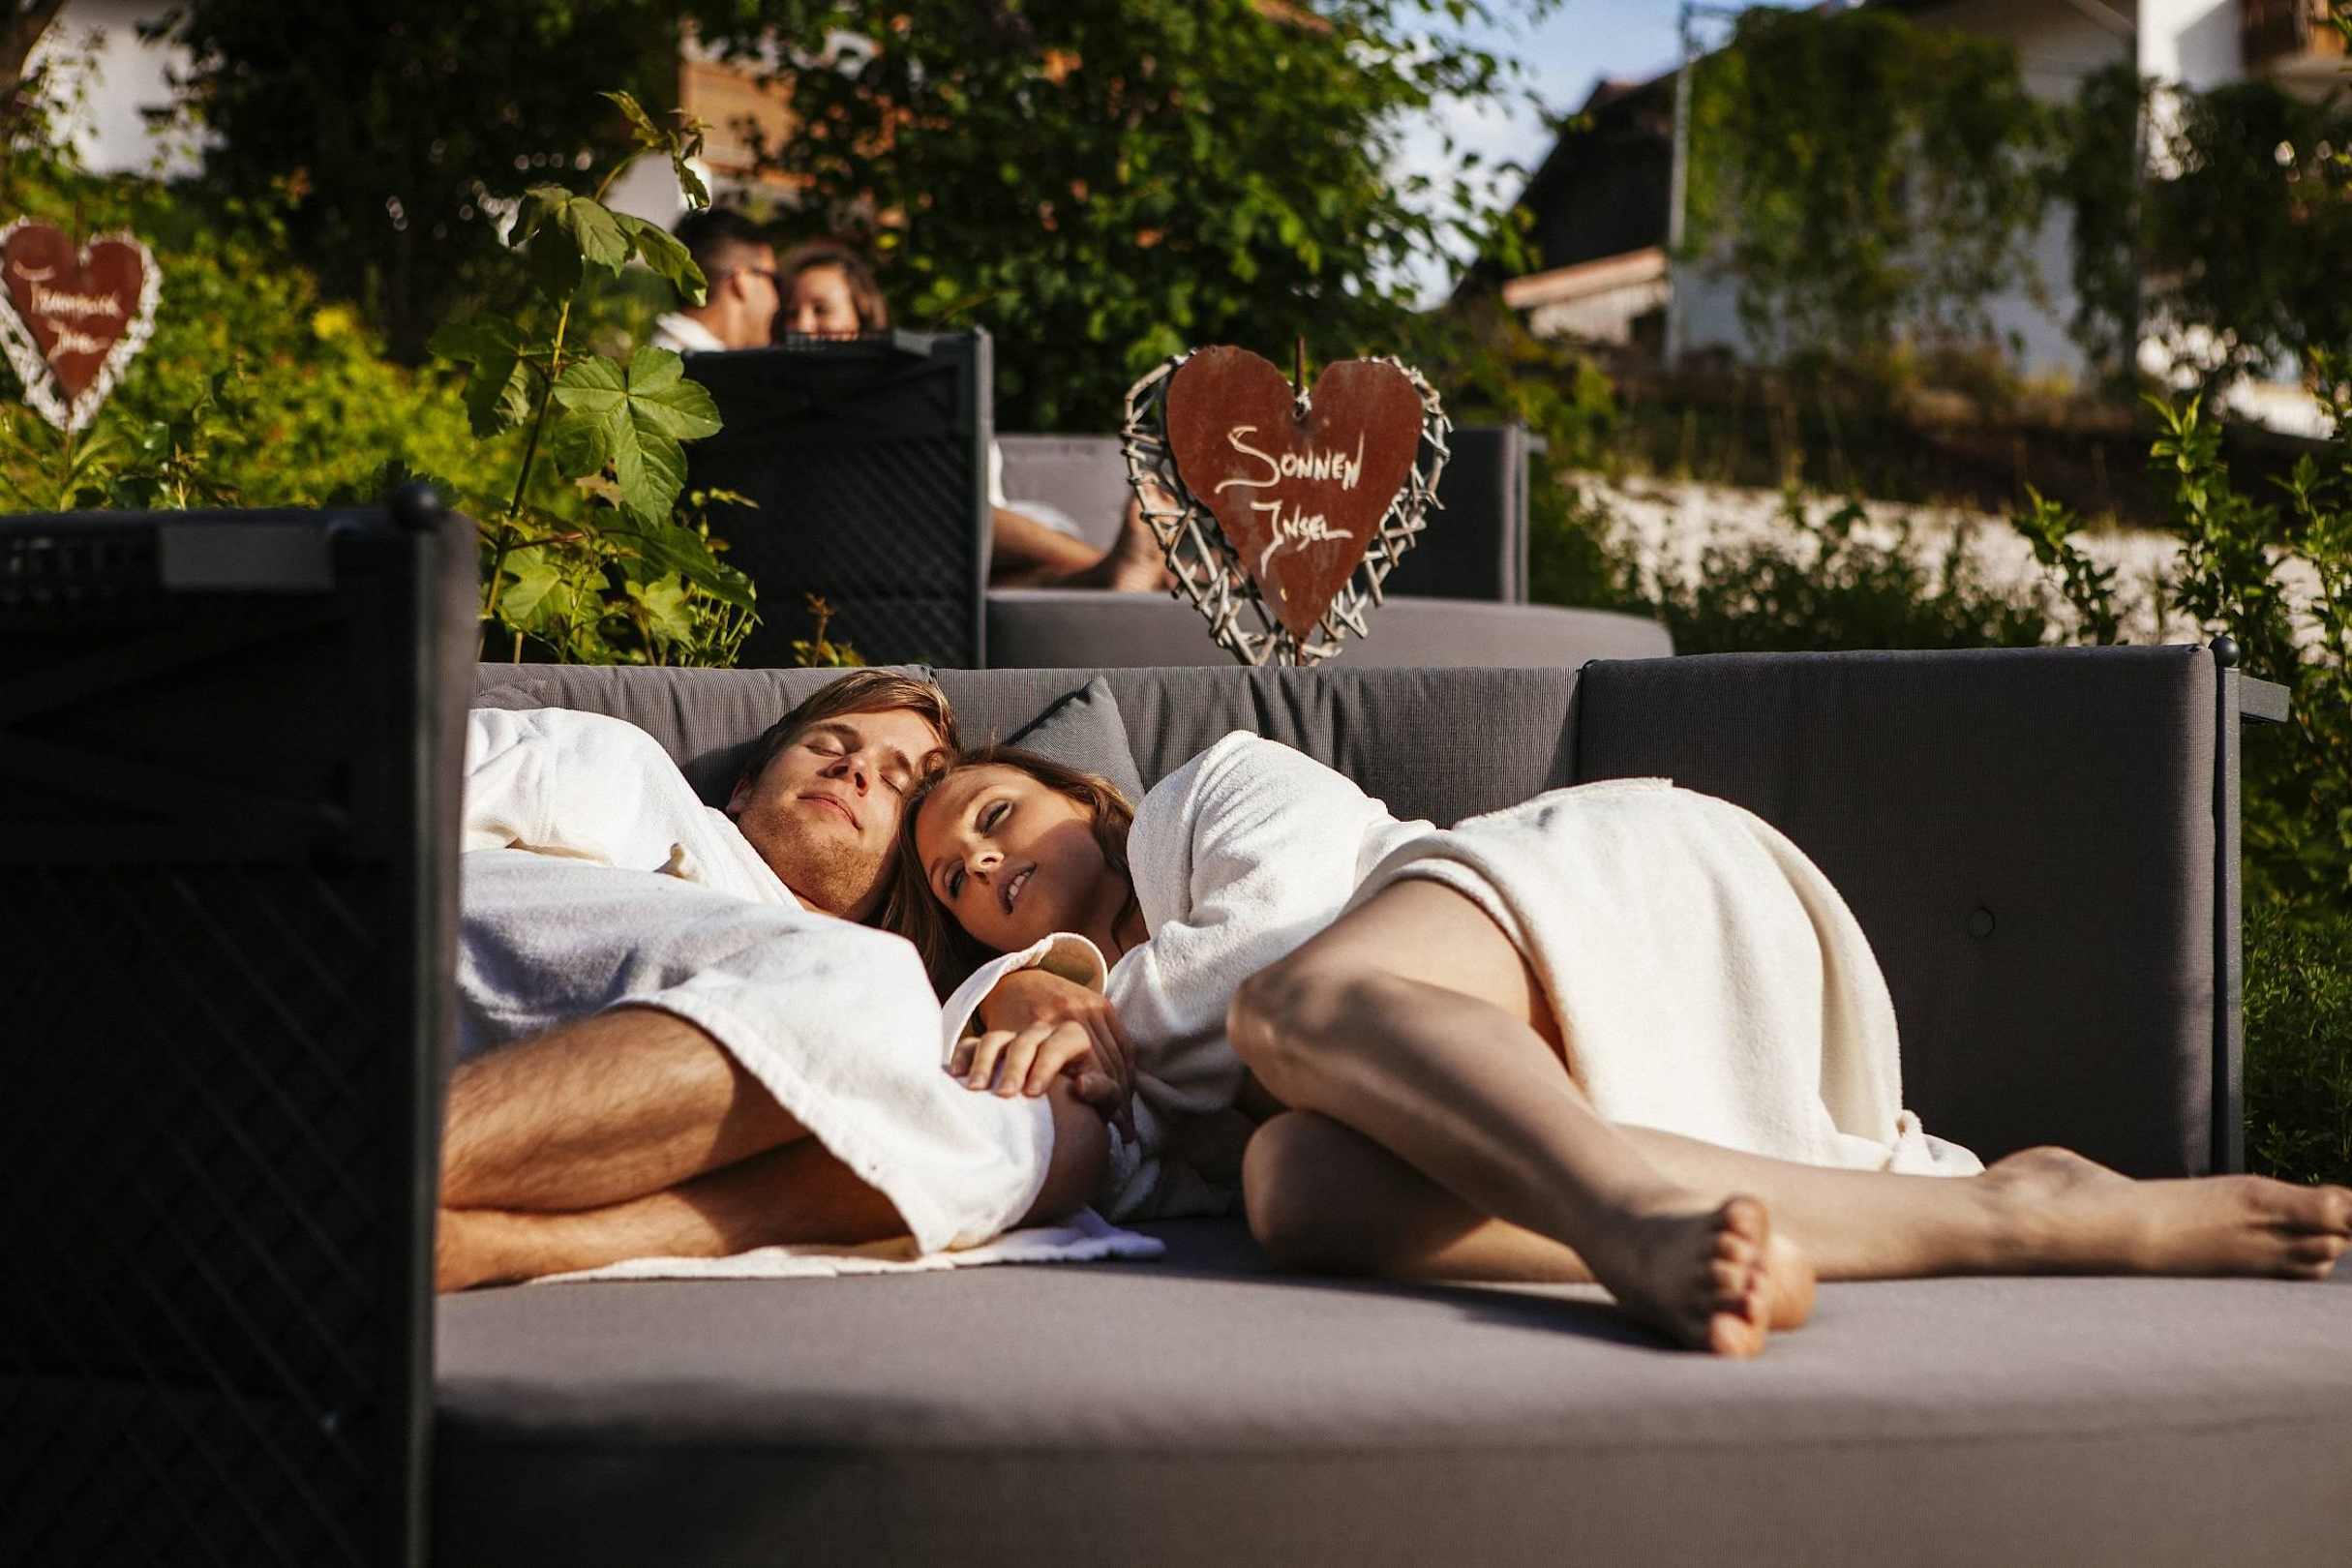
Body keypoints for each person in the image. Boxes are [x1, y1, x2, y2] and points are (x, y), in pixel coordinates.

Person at [893, 736, 2352, 1357]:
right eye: (956, 879)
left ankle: (1628, 1228)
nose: (983, 863)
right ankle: (2015, 1213)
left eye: (997, 817)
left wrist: (1106, 1024)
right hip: (1534, 1096)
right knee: (1296, 1187)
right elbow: (1129, 1186)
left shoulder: (1205, 798)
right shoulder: (1072, 1015)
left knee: (1293, 1015)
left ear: (1087, 799)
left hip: (1602, 904)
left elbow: (1270, 945)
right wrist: (1048, 1028)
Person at [436, 672, 1127, 1291]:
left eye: (896, 784)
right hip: (454, 987)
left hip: (671, 1101)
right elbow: (403, 799)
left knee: (1057, 1138)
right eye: (829, 745)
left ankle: (488, 1245)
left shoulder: (899, 991)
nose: (855, 767)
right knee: (869, 976)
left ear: (913, 869)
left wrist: (1020, 981)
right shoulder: (621, 767)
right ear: (743, 788)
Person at [774, 236, 1173, 592]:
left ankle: (1116, 574)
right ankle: (1123, 568)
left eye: (821, 310)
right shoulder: (781, 402)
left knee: (1002, 572)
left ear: (862, 317)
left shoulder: (907, 387)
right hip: (901, 534)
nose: (802, 326)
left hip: (962, 545)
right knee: (960, 519)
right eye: (791, 313)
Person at [650, 209, 782, 353]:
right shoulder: (693, 363)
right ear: (742, 281)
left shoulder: (663, 355)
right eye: (775, 280)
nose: (777, 299)